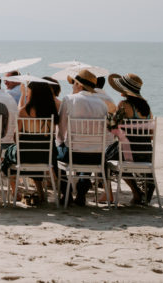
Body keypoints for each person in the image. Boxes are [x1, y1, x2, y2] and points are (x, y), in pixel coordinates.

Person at [56, 68, 112, 206]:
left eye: (73, 83)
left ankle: (66, 193)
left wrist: (60, 143)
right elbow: (108, 135)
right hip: (96, 156)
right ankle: (81, 193)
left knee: (54, 155)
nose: (72, 86)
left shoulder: (69, 99)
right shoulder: (102, 105)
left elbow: (61, 129)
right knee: (86, 153)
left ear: (79, 85)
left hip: (74, 154)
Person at [107, 73, 155, 205]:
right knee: (119, 154)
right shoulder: (146, 108)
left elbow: (112, 127)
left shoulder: (123, 105)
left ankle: (135, 191)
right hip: (146, 152)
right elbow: (151, 135)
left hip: (128, 151)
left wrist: (110, 116)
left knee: (105, 159)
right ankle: (139, 192)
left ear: (124, 91)